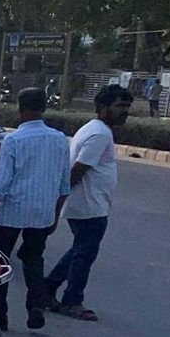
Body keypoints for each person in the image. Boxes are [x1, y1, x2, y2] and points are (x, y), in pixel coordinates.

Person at [0, 88, 70, 331]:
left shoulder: (13, 140)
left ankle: (0, 314)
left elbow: (2, 182)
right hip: (42, 212)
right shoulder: (59, 139)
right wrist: (55, 215)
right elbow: (64, 184)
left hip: (12, 210)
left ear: (21, 109)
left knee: (0, 260)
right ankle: (36, 306)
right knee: (33, 259)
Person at [46, 84, 133, 321]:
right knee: (84, 253)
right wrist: (58, 202)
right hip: (88, 205)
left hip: (90, 203)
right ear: (103, 107)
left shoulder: (98, 130)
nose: (124, 111)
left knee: (80, 250)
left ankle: (47, 289)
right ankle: (72, 301)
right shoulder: (99, 134)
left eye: (126, 107)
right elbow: (77, 171)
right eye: (119, 106)